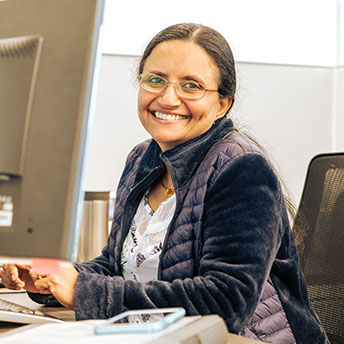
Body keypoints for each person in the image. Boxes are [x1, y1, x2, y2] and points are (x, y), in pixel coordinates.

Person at [0, 23, 328, 343]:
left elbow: (225, 303)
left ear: (222, 104)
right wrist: (48, 275)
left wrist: (85, 291)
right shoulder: (143, 158)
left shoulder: (241, 168)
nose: (168, 99)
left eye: (191, 85)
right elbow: (116, 267)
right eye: (156, 80)